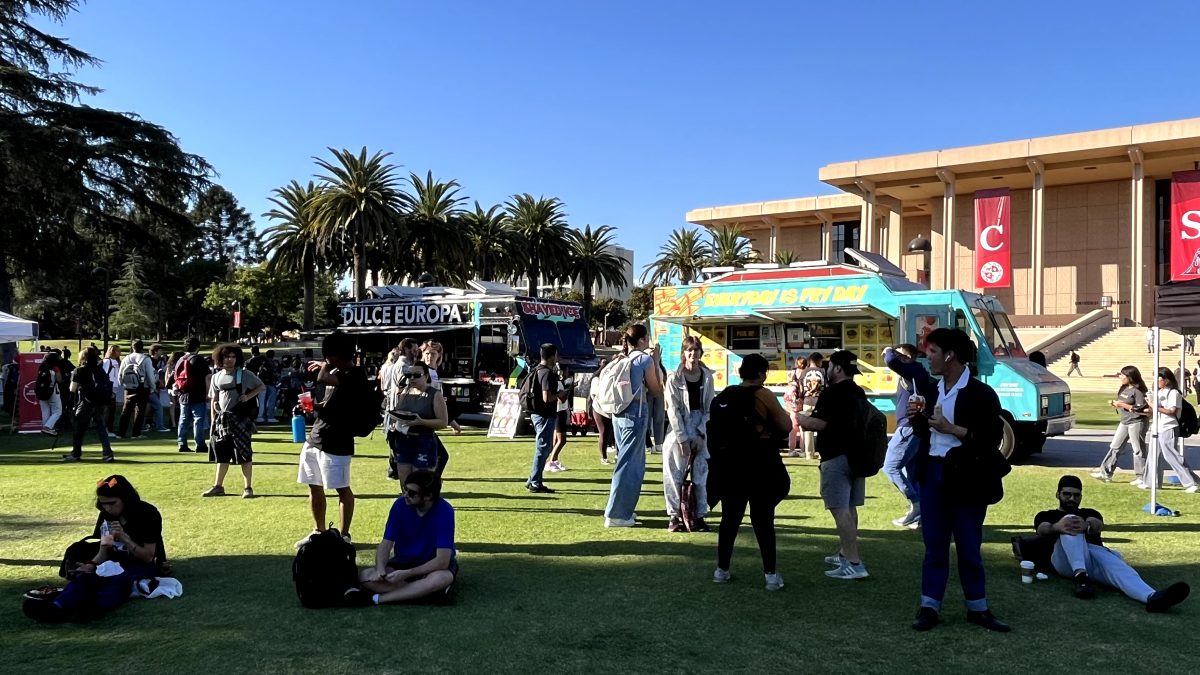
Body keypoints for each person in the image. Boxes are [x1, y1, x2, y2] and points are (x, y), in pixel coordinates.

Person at [908, 328, 1010, 632]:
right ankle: (929, 606)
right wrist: (918, 418)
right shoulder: (931, 390)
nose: (928, 358)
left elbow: (991, 439)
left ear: (950, 355)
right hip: (934, 474)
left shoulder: (981, 394)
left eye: (933, 351)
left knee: (968, 546)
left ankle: (977, 608)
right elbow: (924, 434)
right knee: (934, 546)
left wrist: (953, 429)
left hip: (967, 476)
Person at [1031, 475, 1189, 611]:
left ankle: (1151, 597)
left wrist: (1086, 525)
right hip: (1064, 562)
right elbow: (1042, 529)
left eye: (1076, 495)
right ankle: (1080, 576)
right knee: (1069, 521)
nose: (1072, 499)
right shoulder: (1047, 515)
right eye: (1067, 494)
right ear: (1057, 494)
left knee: (1119, 568)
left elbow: (1097, 523)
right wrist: (1056, 527)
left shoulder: (1089, 513)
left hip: (1093, 561)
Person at [30, 475, 166, 622]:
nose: (108, 508)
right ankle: (57, 607)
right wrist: (91, 564)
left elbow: (148, 556)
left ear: (125, 499)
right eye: (103, 504)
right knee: (87, 577)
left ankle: (91, 607)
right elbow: (105, 549)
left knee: (118, 581)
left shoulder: (147, 514)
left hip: (142, 564)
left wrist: (125, 538)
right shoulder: (107, 515)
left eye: (112, 503)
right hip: (114, 561)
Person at [711, 353, 792, 590]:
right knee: (763, 519)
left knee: (730, 519)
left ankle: (721, 570)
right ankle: (770, 576)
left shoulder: (726, 394)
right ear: (761, 373)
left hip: (730, 464)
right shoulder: (762, 394)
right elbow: (786, 425)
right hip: (758, 463)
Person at [796, 350, 871, 580]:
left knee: (840, 511)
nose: (827, 369)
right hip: (858, 456)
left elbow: (820, 423)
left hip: (836, 457)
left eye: (831, 366)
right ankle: (844, 553)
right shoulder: (859, 392)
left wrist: (800, 419)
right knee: (849, 508)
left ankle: (854, 562)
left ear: (838, 368)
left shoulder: (832, 393)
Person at [296, 330, 364, 546]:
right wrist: (313, 407)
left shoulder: (355, 375)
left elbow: (322, 377)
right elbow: (331, 402)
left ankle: (344, 535)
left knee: (342, 488)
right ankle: (319, 530)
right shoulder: (338, 375)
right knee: (313, 485)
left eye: (328, 355)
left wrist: (324, 363)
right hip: (316, 436)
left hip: (338, 440)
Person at [353, 469, 457, 606]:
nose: (406, 495)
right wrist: (380, 569)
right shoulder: (400, 505)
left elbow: (442, 561)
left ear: (428, 496)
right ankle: (426, 593)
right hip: (403, 561)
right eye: (405, 489)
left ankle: (380, 599)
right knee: (366, 576)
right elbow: (386, 543)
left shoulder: (445, 511)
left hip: (431, 565)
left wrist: (407, 574)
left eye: (412, 493)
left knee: (441, 578)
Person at [603, 325, 663, 527]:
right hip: (635, 414)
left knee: (625, 461)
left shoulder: (622, 359)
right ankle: (617, 514)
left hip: (618, 414)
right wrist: (656, 361)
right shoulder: (644, 360)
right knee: (631, 465)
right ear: (643, 340)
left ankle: (623, 509)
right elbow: (656, 389)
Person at [663, 336, 715, 532]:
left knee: (701, 474)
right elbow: (673, 410)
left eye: (696, 350)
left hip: (700, 425)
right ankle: (674, 516)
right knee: (674, 473)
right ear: (683, 353)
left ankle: (699, 515)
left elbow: (710, 407)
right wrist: (682, 438)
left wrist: (702, 433)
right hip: (679, 428)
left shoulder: (707, 376)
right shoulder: (674, 378)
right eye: (689, 350)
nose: (693, 354)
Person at [202, 344, 264, 499]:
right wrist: (213, 421)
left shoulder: (244, 374)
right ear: (219, 358)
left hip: (240, 419)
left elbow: (261, 386)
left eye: (233, 357)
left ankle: (248, 487)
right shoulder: (216, 376)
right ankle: (218, 486)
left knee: (244, 454)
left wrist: (247, 397)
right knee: (222, 454)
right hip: (222, 420)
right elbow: (213, 399)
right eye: (226, 356)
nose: (229, 360)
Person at [883, 343, 930, 529]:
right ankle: (921, 515)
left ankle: (916, 504)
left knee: (890, 467)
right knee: (911, 472)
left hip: (908, 427)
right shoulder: (914, 373)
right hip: (910, 427)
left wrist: (888, 350)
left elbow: (890, 360)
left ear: (907, 358)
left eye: (900, 354)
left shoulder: (914, 371)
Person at [385, 361, 448, 485]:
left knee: (421, 483)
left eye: (417, 375)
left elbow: (443, 422)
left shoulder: (434, 395)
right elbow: (398, 413)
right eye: (409, 375)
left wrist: (421, 422)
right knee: (405, 483)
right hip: (403, 441)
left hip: (424, 441)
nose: (412, 378)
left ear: (426, 376)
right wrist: (393, 419)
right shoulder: (405, 392)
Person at [1140, 368, 1199, 493]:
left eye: (1159, 379)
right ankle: (1151, 482)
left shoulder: (1173, 393)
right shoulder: (1156, 393)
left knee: (1171, 455)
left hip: (1169, 426)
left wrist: (1154, 405)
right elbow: (1153, 412)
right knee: (1153, 455)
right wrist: (1146, 409)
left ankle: (1191, 482)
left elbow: (1171, 411)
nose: (1156, 381)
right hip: (1156, 426)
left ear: (1166, 380)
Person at [1091, 366, 1149, 484]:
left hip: (1137, 422)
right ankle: (1105, 472)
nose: (1120, 377)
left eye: (1123, 375)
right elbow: (1123, 403)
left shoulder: (1138, 391)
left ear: (1130, 377)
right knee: (1115, 446)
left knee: (1138, 450)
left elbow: (1141, 409)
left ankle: (1142, 477)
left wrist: (1122, 405)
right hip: (1124, 422)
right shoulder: (1124, 388)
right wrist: (1116, 404)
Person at [64, 347, 115, 462]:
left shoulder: (79, 370)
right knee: (101, 428)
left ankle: (76, 453)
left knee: (79, 428)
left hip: (86, 402)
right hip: (101, 402)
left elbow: (72, 388)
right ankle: (107, 453)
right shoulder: (99, 369)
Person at [525, 343, 561, 493]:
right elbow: (547, 398)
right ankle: (535, 482)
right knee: (543, 448)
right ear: (552, 356)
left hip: (537, 413)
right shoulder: (546, 373)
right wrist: (561, 394)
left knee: (544, 447)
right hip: (544, 414)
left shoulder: (537, 370)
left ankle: (533, 479)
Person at [174, 337, 212, 455]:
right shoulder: (198, 360)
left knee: (183, 420)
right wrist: (208, 393)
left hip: (183, 393)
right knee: (198, 420)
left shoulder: (180, 360)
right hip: (197, 394)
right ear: (197, 347)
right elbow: (207, 377)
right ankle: (200, 444)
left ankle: (182, 443)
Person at [116, 340, 157, 440]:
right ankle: (136, 434)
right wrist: (153, 387)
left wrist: (122, 383)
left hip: (129, 387)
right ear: (142, 347)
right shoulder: (145, 359)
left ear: (132, 347)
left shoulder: (126, 358)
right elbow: (150, 375)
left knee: (126, 410)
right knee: (140, 410)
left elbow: (120, 374)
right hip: (142, 387)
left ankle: (121, 433)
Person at [799, 352, 826, 460]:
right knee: (822, 428)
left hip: (807, 402)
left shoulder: (804, 372)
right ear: (818, 360)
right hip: (820, 402)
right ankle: (822, 452)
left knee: (808, 429)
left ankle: (809, 454)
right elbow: (827, 387)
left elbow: (800, 390)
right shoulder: (823, 371)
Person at [547, 366, 573, 472]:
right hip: (559, 412)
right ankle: (551, 461)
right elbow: (562, 399)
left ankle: (554, 460)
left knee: (556, 440)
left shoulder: (560, 382)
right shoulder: (558, 383)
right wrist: (569, 388)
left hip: (560, 411)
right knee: (562, 440)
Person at [589, 358, 615, 465]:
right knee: (603, 432)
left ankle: (615, 453)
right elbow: (594, 394)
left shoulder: (610, 378)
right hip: (599, 408)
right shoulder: (596, 378)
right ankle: (603, 457)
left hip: (609, 408)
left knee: (610, 431)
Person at [36, 352, 64, 435]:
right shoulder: (55, 368)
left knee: (45, 410)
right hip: (52, 391)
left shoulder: (42, 366)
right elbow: (59, 379)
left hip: (41, 391)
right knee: (57, 411)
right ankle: (47, 427)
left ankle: (46, 428)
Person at [784, 356, 807, 457]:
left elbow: (787, 395)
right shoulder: (806, 373)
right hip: (802, 404)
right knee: (802, 429)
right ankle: (803, 450)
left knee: (793, 429)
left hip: (792, 406)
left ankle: (791, 449)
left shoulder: (792, 375)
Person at [101, 345, 123, 436]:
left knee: (111, 410)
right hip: (109, 388)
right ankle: (106, 429)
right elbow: (104, 376)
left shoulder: (116, 362)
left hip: (114, 388)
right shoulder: (107, 361)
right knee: (108, 410)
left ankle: (109, 428)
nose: (119, 353)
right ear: (113, 351)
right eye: (118, 351)